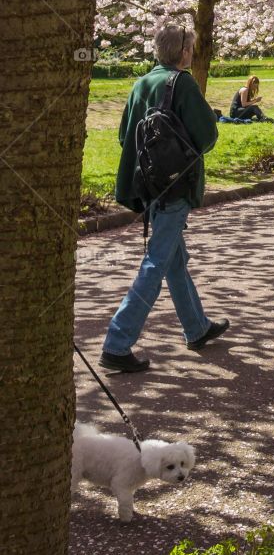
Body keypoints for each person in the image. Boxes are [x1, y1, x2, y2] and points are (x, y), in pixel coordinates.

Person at [101, 23, 227, 373]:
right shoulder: (182, 82)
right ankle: (117, 342)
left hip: (147, 184)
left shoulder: (141, 83)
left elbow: (124, 136)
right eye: (190, 48)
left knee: (173, 259)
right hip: (175, 184)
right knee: (157, 262)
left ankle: (196, 327)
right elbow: (207, 136)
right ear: (184, 52)